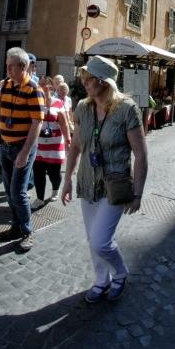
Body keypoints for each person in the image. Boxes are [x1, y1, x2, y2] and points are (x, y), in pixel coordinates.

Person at [61, 55, 148, 304]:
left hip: (115, 185)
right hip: (88, 182)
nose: (84, 82)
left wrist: (138, 193)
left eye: (88, 78)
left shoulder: (127, 109)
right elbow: (76, 146)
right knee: (92, 240)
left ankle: (120, 273)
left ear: (103, 81)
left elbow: (141, 155)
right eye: (85, 78)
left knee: (100, 241)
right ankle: (101, 280)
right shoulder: (83, 109)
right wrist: (67, 179)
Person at [0, 47, 46, 251]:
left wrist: (25, 152)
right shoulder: (5, 86)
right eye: (7, 66)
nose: (7, 69)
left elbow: (37, 123)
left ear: (23, 67)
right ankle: (15, 227)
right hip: (4, 145)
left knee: (18, 192)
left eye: (10, 66)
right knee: (8, 191)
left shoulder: (34, 89)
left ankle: (28, 232)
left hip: (22, 147)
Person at [31, 75, 71, 206]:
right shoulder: (34, 102)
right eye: (40, 84)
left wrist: (68, 139)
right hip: (38, 144)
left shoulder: (58, 102)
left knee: (54, 173)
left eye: (45, 84)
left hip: (55, 145)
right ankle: (40, 199)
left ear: (51, 86)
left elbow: (64, 123)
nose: (43, 87)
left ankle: (55, 190)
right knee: (38, 172)